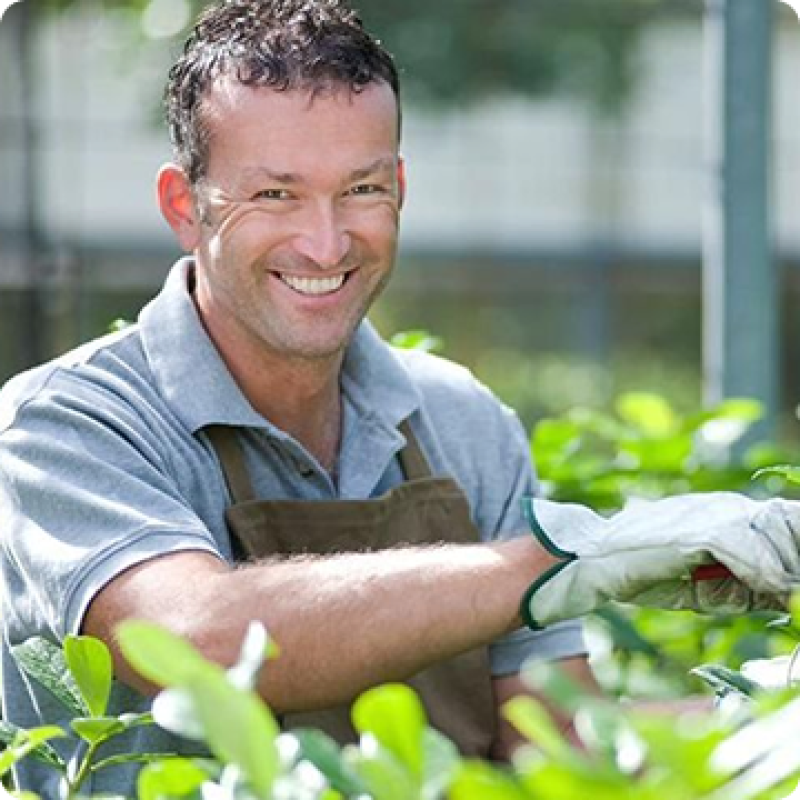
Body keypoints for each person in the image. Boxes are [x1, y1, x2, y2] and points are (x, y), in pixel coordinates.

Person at [1, 1, 799, 796]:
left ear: (400, 189)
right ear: (185, 207)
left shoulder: (464, 424)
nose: (326, 242)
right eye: (276, 195)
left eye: (361, 189)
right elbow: (196, 641)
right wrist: (567, 561)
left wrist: (771, 716)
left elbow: (559, 749)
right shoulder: (67, 425)